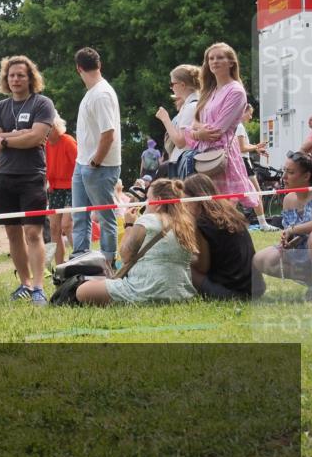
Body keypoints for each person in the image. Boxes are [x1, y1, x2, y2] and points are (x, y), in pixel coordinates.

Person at [0, 55, 55, 305]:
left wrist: (7, 139)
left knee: (33, 233)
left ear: (30, 78)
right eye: (11, 75)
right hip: (5, 177)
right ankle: (24, 283)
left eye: (21, 75)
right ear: (6, 79)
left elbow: (37, 137)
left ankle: (39, 287)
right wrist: (19, 135)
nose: (15, 79)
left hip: (32, 176)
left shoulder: (42, 103)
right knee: (13, 233)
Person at [76, 179, 198, 305]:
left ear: (158, 201)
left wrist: (129, 224)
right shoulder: (186, 225)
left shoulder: (147, 220)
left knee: (82, 290)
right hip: (180, 294)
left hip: (144, 289)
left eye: (148, 198)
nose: (145, 203)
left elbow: (125, 256)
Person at [182, 43, 258, 211]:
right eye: (211, 58)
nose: (214, 61)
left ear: (231, 62)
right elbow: (194, 122)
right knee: (203, 209)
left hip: (221, 158)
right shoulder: (210, 90)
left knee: (221, 210)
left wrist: (196, 132)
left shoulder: (236, 91)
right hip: (202, 156)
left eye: (220, 57)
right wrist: (199, 132)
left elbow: (217, 131)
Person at [71, 47, 122, 263]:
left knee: (105, 217)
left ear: (78, 69)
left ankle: (108, 262)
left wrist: (95, 162)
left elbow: (108, 134)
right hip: (83, 163)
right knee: (79, 216)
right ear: (99, 65)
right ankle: (80, 259)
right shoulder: (93, 93)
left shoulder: (101, 94)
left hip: (99, 166)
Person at [252, 151, 312, 301]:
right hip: (303, 253)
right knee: (260, 258)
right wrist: (287, 239)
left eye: (290, 172)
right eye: (284, 171)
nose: (284, 177)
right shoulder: (288, 199)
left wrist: (294, 229)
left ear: (306, 176)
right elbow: (289, 229)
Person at [182, 174, 258, 300]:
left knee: (184, 268)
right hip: (253, 287)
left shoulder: (201, 223)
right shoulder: (231, 213)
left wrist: (185, 259)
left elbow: (202, 266)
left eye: (186, 202)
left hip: (231, 292)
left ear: (197, 199)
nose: (184, 207)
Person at [235, 104, 279, 231]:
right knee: (257, 192)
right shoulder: (239, 126)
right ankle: (263, 224)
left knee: (235, 196)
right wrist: (257, 146)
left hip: (240, 162)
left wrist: (256, 149)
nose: (251, 116)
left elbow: (242, 146)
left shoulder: (236, 126)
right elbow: (242, 148)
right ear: (243, 112)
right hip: (243, 162)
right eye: (250, 113)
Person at [155, 64, 201, 178]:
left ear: (182, 85)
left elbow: (180, 142)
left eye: (172, 84)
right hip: (185, 161)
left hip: (184, 163)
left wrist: (165, 119)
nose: (171, 88)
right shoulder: (194, 104)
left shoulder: (190, 107)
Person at [45, 115, 78, 265]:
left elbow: (78, 166)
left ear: (56, 126)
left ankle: (81, 256)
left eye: (49, 128)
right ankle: (59, 267)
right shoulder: (46, 145)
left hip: (71, 186)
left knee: (66, 224)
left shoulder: (68, 141)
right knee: (53, 227)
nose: (46, 132)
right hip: (55, 189)